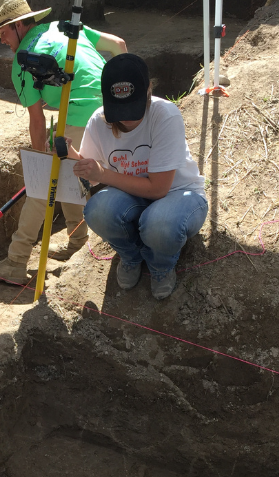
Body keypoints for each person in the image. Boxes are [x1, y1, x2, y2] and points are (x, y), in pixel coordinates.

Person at [0, 0, 127, 285]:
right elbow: (118, 45)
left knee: (43, 185)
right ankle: (77, 241)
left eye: (3, 32)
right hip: (116, 114)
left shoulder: (23, 61)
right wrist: (123, 96)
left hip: (80, 117)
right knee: (69, 172)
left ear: (18, 25)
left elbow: (36, 119)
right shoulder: (65, 28)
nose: (2, 40)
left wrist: (39, 166)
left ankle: (16, 263)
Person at [72, 54, 208, 300]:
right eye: (119, 109)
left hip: (178, 195)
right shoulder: (98, 121)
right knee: (98, 210)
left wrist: (103, 173)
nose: (127, 117)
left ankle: (160, 265)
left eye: (133, 106)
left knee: (161, 223)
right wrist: (70, 156)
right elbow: (88, 177)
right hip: (133, 197)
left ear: (149, 89)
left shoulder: (165, 115)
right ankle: (131, 255)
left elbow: (158, 189)